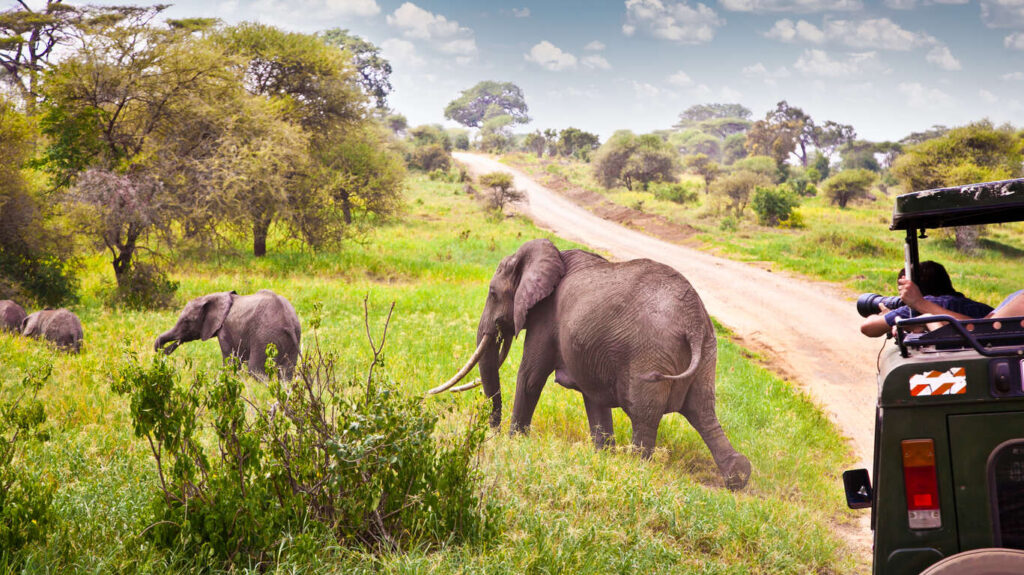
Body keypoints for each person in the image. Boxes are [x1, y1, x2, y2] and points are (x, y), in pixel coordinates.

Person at [860, 261, 993, 337]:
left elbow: (868, 327)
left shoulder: (926, 304)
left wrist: (890, 316)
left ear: (914, 291)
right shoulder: (980, 308)